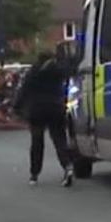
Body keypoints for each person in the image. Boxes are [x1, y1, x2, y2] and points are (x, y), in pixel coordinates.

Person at [15, 51, 75, 187]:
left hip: (37, 110)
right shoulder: (59, 71)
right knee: (60, 140)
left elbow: (24, 90)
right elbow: (68, 82)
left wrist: (16, 107)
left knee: (37, 142)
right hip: (56, 108)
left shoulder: (33, 71)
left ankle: (34, 174)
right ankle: (68, 166)